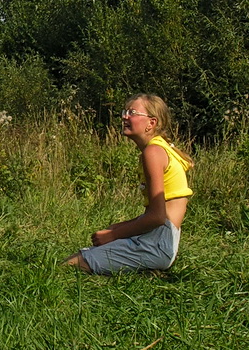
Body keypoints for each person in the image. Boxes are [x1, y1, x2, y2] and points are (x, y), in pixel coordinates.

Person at [63, 94, 194, 275]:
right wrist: (118, 227)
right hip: (160, 242)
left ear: (151, 123)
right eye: (124, 112)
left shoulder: (153, 152)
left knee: (69, 265)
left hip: (155, 244)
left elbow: (157, 217)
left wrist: (113, 235)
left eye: (132, 113)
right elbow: (156, 213)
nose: (125, 117)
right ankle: (148, 271)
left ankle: (149, 266)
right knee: (81, 255)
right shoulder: (160, 148)